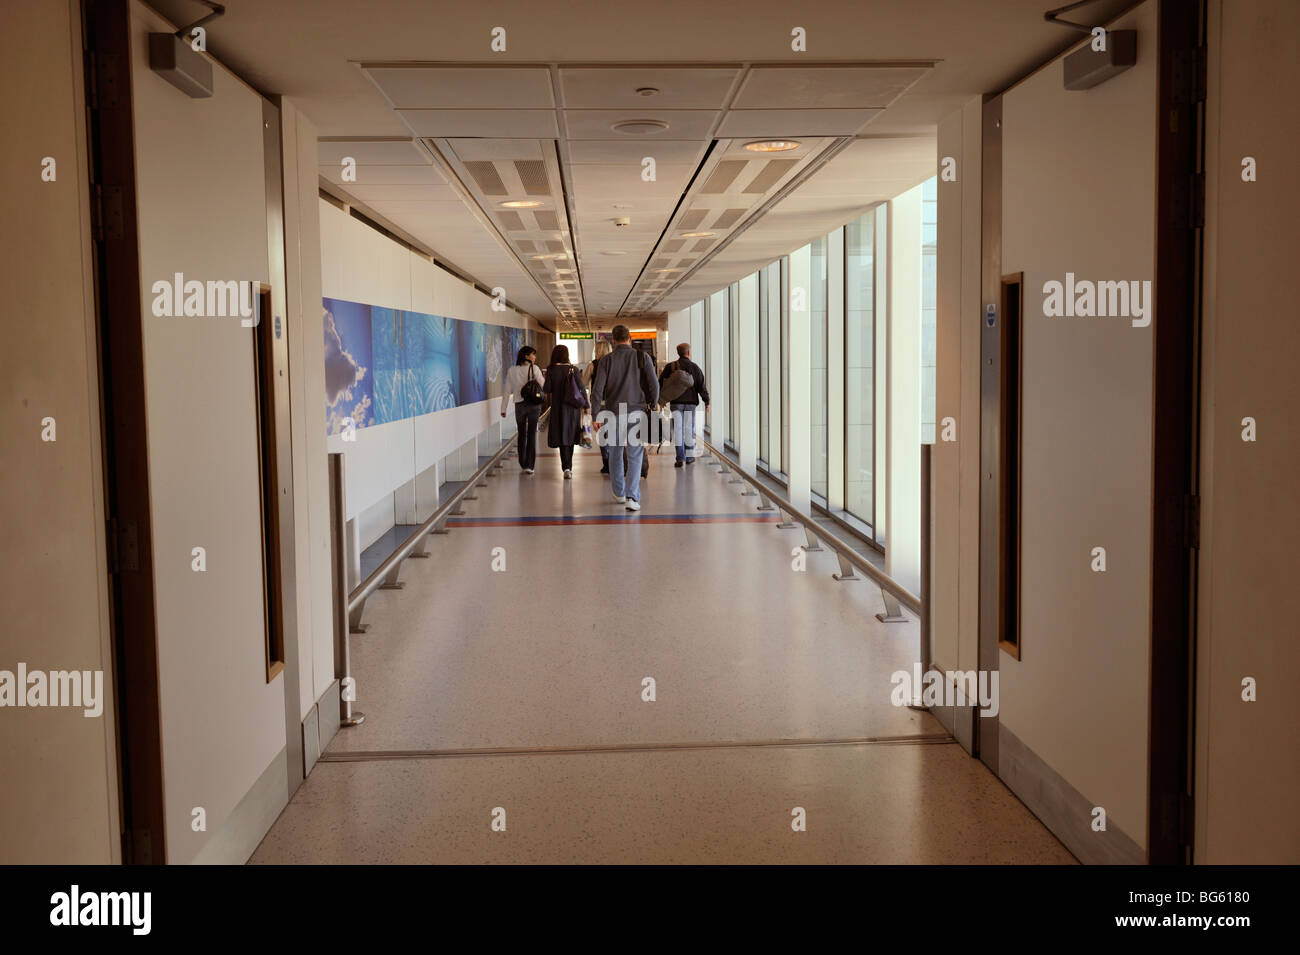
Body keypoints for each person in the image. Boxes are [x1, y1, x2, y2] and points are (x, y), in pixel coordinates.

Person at [591, 325, 659, 511]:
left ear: (613, 340)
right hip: (637, 412)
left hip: (612, 413)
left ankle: (619, 492)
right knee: (635, 454)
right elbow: (654, 386)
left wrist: (595, 414)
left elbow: (597, 390)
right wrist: (653, 403)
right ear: (629, 339)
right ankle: (632, 497)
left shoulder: (606, 360)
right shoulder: (642, 357)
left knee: (614, 453)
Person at [658, 342, 710, 467]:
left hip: (676, 403)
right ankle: (689, 456)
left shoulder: (671, 367)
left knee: (678, 430)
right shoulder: (695, 367)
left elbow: (660, 383)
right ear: (688, 353)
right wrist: (706, 401)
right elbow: (701, 386)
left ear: (678, 353)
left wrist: (660, 399)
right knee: (689, 430)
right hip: (690, 403)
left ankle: (680, 458)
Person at [542, 344, 587, 479]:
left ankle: (566, 467)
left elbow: (547, 389)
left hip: (557, 408)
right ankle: (569, 466)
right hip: (572, 408)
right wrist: (587, 405)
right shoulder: (573, 369)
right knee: (570, 436)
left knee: (562, 437)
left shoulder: (551, 370)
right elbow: (581, 388)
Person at [501, 345, 544, 473]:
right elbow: (543, 385)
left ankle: (523, 462)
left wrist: (503, 408)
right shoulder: (535, 369)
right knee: (531, 434)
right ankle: (530, 465)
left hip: (519, 405)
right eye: (533, 354)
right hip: (533, 405)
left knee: (521, 433)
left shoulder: (512, 370)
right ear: (526, 356)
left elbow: (507, 391)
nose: (534, 357)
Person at [582, 340, 613, 474]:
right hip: (614, 404)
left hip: (599, 404)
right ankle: (614, 462)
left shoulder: (592, 365)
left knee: (602, 435)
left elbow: (583, 383)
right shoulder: (614, 364)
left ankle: (606, 463)